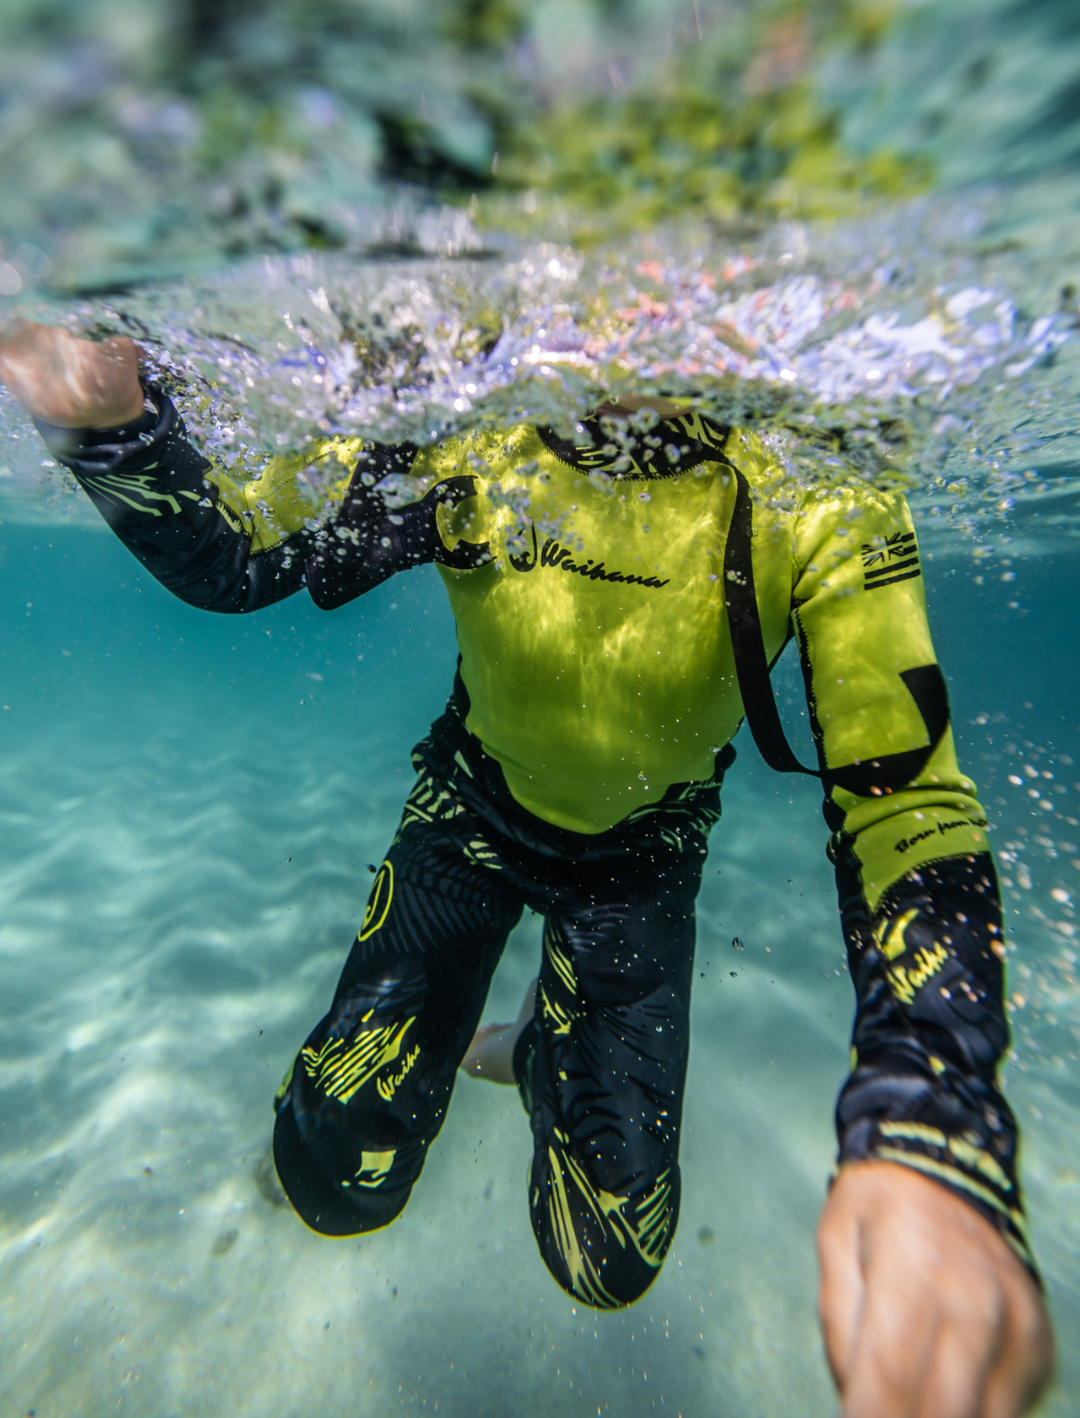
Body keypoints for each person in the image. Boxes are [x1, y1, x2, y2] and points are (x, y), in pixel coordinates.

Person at [0, 323, 1054, 1418]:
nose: (642, 325)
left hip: (644, 861)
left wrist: (934, 1135)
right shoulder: (468, 424)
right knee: (328, 1176)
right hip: (471, 810)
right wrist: (114, 427)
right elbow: (243, 556)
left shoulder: (822, 482)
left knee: (605, 1259)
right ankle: (510, 1040)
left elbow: (908, 812)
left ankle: (551, 1058)